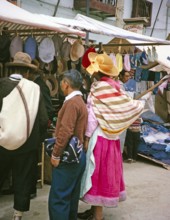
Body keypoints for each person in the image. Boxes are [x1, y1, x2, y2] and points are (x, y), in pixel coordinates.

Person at [79, 52, 146, 220]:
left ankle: (97, 216)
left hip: (99, 137)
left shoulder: (97, 88)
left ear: (97, 72)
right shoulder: (117, 88)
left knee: (96, 175)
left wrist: (86, 137)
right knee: (106, 175)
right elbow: (125, 109)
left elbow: (93, 116)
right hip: (113, 138)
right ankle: (95, 211)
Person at [0, 52, 48, 220]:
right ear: (27, 72)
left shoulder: (1, 85)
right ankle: (17, 215)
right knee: (22, 178)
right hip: (27, 144)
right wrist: (37, 140)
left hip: (1, 142)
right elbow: (43, 119)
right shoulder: (35, 89)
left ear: (12, 68)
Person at [48, 69, 88, 220]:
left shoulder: (72, 103)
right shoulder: (79, 100)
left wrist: (56, 154)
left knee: (59, 199)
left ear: (66, 84)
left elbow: (65, 131)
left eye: (61, 82)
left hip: (68, 156)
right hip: (78, 155)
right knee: (70, 197)